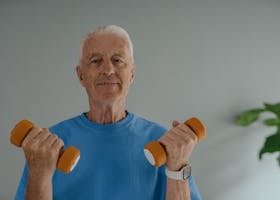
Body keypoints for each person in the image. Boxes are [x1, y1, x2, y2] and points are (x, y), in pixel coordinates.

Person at [14, 25, 202, 200]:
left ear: (132, 74)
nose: (108, 70)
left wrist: (178, 170)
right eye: (96, 61)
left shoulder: (164, 142)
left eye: (118, 60)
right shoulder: (47, 146)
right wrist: (39, 176)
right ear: (81, 75)